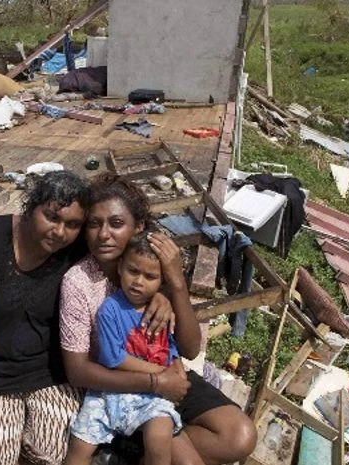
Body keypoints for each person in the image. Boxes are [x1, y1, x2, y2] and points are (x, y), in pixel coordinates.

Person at [0, 170, 177, 465]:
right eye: (51, 217)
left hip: (50, 376)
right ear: (29, 208)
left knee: (58, 454)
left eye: (73, 224)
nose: (60, 232)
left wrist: (160, 294)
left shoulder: (75, 247)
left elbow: (132, 257)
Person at [60, 173, 258, 465]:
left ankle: (147, 450)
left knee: (241, 436)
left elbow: (190, 349)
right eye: (94, 223)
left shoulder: (153, 267)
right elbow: (79, 370)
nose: (104, 234)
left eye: (116, 223)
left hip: (170, 374)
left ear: (138, 226)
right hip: (121, 385)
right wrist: (156, 381)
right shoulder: (80, 282)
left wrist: (175, 284)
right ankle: (154, 447)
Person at [65, 232, 189, 465]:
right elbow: (113, 358)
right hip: (109, 392)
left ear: (162, 282)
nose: (139, 281)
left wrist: (177, 369)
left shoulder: (161, 314)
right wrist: (161, 374)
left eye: (150, 276)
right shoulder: (109, 310)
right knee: (79, 445)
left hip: (151, 396)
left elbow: (170, 349)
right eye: (133, 271)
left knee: (160, 437)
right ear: (120, 268)